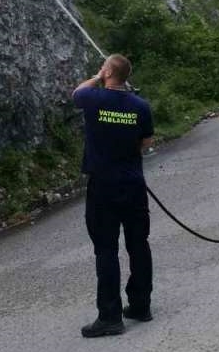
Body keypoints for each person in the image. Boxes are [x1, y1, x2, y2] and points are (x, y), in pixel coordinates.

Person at [72, 54, 155, 338]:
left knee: (106, 249)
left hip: (103, 187)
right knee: (138, 243)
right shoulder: (140, 106)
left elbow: (76, 93)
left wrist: (98, 75)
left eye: (104, 68)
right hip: (133, 184)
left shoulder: (94, 99)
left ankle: (110, 316)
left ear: (107, 72)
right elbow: (146, 141)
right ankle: (141, 305)